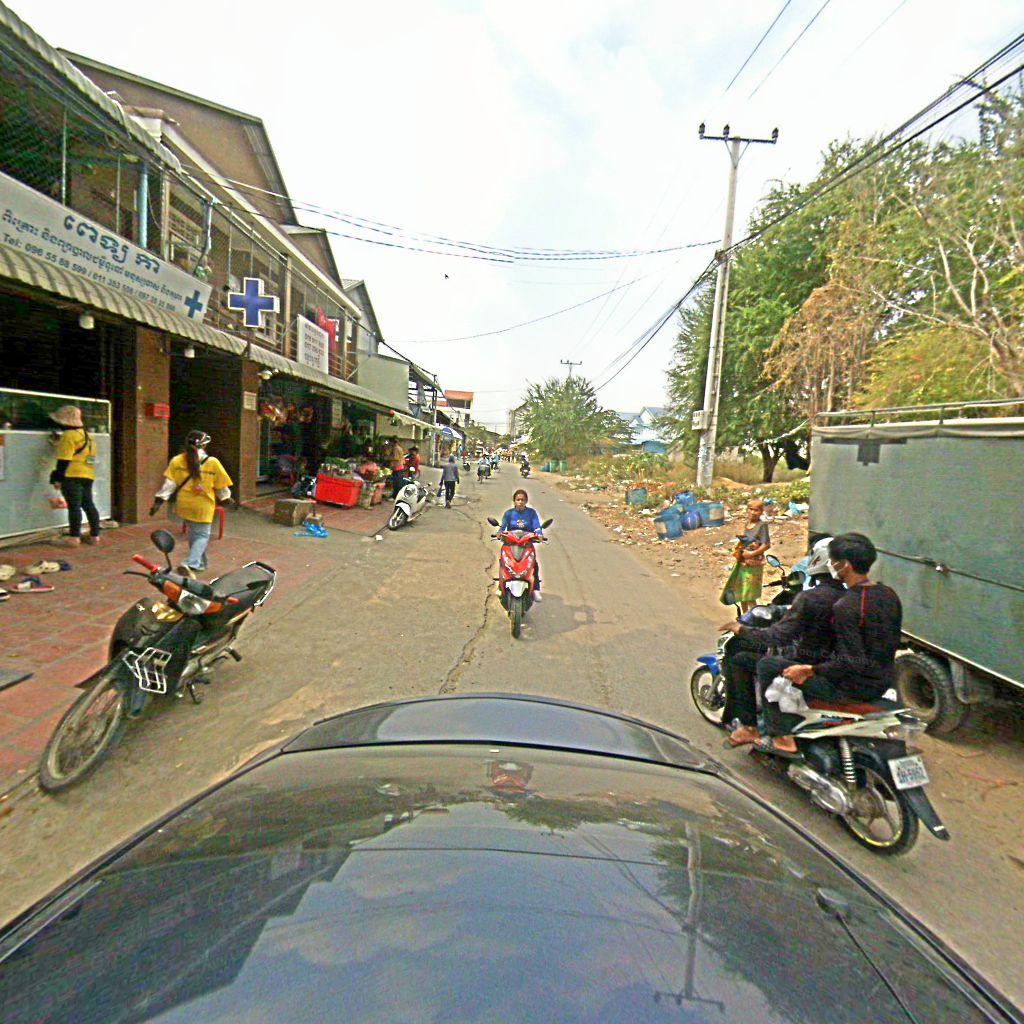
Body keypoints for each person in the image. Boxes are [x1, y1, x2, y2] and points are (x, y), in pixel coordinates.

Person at [757, 533, 904, 756]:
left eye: (834, 561)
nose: (832, 565)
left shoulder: (846, 605)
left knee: (768, 665)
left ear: (845, 565)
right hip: (885, 680)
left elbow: (850, 662)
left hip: (852, 688)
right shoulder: (888, 594)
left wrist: (809, 670)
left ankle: (782, 739)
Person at [718, 537, 844, 747]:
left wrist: (741, 630)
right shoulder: (853, 597)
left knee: (742, 660)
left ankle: (751, 727)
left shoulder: (810, 598)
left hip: (808, 666)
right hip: (839, 667)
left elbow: (777, 636)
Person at [150, 431, 232, 577]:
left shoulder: (177, 461)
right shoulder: (212, 462)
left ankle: (200, 563)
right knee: (202, 536)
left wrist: (159, 500)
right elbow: (221, 488)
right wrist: (226, 498)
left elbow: (169, 485)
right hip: (202, 505)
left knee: (194, 534)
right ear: (204, 445)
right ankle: (190, 563)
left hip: (185, 504)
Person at [48, 405, 101, 547]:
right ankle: (95, 536)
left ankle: (74, 538)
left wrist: (58, 478)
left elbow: (64, 460)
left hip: (71, 476)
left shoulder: (68, 436)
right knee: (88, 505)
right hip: (88, 475)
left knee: (74, 507)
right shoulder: (87, 436)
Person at [719, 497, 771, 614]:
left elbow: (766, 544)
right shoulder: (747, 524)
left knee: (750, 594)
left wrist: (751, 553)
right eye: (751, 509)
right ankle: (745, 616)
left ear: (761, 512)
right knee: (742, 592)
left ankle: (754, 618)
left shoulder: (762, 525)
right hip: (743, 562)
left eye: (756, 510)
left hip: (754, 564)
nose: (753, 512)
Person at [499, 489, 545, 599]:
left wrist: (539, 534)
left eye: (522, 500)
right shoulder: (509, 513)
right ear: (514, 501)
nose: (520, 502)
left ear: (526, 501)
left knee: (534, 564)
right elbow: (502, 526)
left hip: (527, 543)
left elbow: (536, 525)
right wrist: (499, 533)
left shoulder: (531, 513)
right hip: (511, 542)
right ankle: (500, 587)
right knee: (503, 561)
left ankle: (536, 589)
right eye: (518, 500)